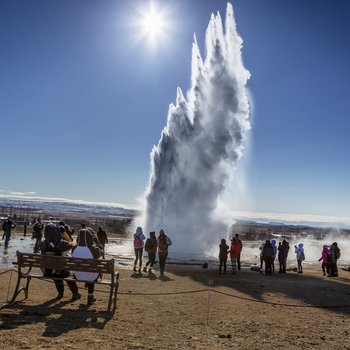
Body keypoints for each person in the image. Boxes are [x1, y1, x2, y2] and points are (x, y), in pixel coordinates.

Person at [40, 223, 80, 301]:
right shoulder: (61, 243)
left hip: (47, 271)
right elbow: (72, 245)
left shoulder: (43, 243)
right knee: (68, 275)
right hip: (59, 271)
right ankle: (75, 293)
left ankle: (60, 293)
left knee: (57, 272)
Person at [73, 224, 103, 305]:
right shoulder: (93, 249)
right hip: (91, 275)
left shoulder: (74, 248)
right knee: (91, 271)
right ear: (89, 237)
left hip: (78, 274)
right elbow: (101, 252)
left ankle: (88, 291)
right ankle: (90, 296)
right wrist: (96, 240)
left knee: (88, 269)